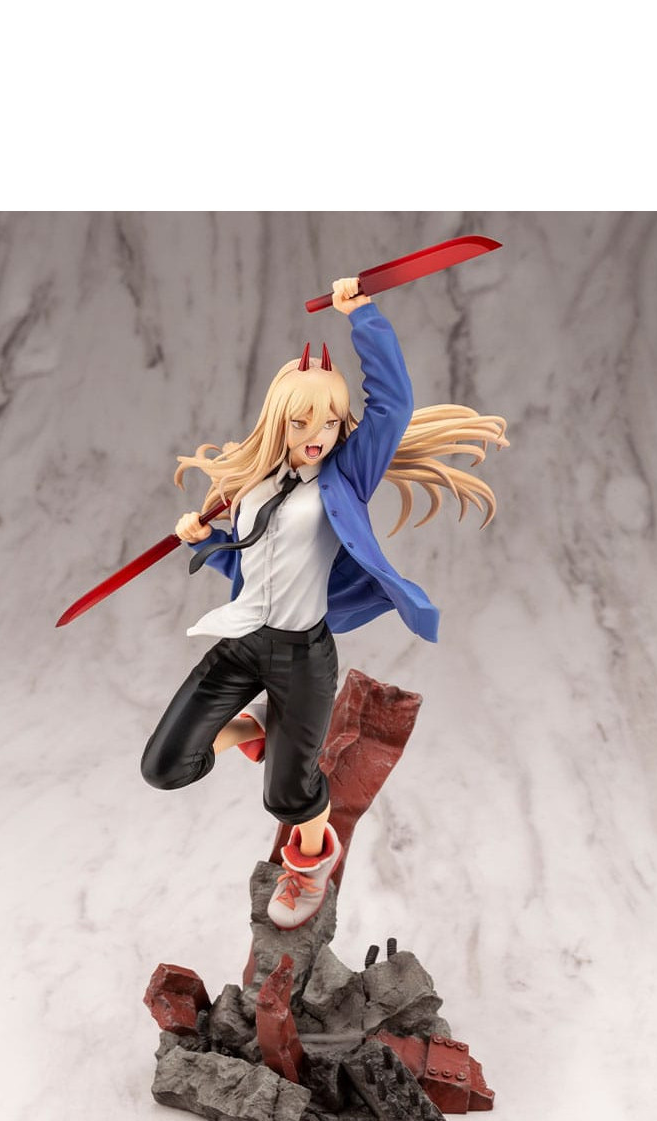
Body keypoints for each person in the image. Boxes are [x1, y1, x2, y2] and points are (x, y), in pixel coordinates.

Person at [141, 277, 509, 928]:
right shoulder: (254, 483)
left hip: (300, 655)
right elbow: (254, 562)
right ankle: (257, 728)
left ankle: (307, 867)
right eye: (302, 420)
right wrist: (204, 539)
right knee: (167, 768)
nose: (317, 433)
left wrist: (363, 316)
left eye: (331, 421)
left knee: (289, 796)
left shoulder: (345, 476)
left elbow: (392, 406)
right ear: (278, 421)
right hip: (241, 645)